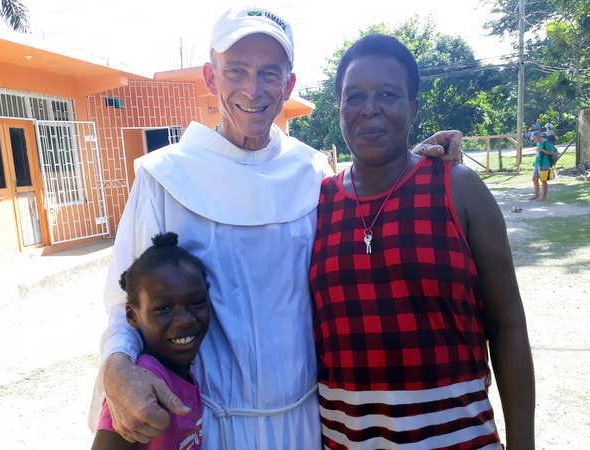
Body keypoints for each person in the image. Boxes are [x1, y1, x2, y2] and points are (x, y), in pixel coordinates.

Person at [89, 7, 463, 449]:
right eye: (236, 71)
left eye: (269, 73)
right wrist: (116, 365)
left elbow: (361, 220)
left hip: (307, 421)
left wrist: (411, 161)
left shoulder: (309, 170)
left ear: (288, 85)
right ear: (212, 78)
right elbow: (124, 299)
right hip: (211, 423)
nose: (252, 89)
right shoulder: (163, 178)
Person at [309, 34, 535, 449]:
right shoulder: (316, 203)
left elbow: (507, 326)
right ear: (338, 108)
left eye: (388, 95)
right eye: (354, 95)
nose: (370, 108)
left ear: (412, 109)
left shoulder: (459, 190)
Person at [91, 232, 210, 449]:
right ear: (132, 316)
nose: (184, 321)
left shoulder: (184, 372)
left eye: (198, 302)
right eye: (163, 308)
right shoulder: (142, 384)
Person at [530, 130, 556, 200]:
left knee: (543, 180)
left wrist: (541, 150)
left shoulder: (546, 143)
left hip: (544, 163)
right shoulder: (537, 143)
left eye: (535, 139)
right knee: (534, 179)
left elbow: (551, 153)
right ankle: (536, 196)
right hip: (537, 163)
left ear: (539, 137)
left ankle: (544, 196)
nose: (534, 141)